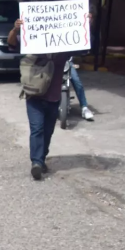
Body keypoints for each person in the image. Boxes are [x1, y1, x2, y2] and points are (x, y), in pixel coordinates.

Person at [7, 18, 74, 180]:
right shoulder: (33, 44)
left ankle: (42, 158)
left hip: (54, 97)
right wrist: (15, 29)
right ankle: (36, 163)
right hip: (34, 96)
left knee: (48, 131)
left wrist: (87, 25)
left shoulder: (63, 49)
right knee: (37, 129)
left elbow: (84, 44)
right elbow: (11, 44)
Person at [30, 0, 95, 122]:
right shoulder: (42, 24)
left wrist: (86, 22)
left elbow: (79, 35)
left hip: (64, 61)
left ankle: (84, 107)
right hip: (46, 62)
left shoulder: (63, 23)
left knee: (77, 81)